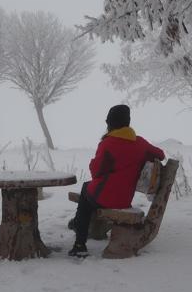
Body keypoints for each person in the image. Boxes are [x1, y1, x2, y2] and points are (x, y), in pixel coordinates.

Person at [68, 104, 165, 257]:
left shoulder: (108, 144)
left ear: (110, 124)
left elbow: (96, 172)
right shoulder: (140, 143)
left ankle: (80, 243)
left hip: (105, 197)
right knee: (89, 191)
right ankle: (80, 224)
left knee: (87, 190)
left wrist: (93, 163)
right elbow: (160, 155)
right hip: (124, 199)